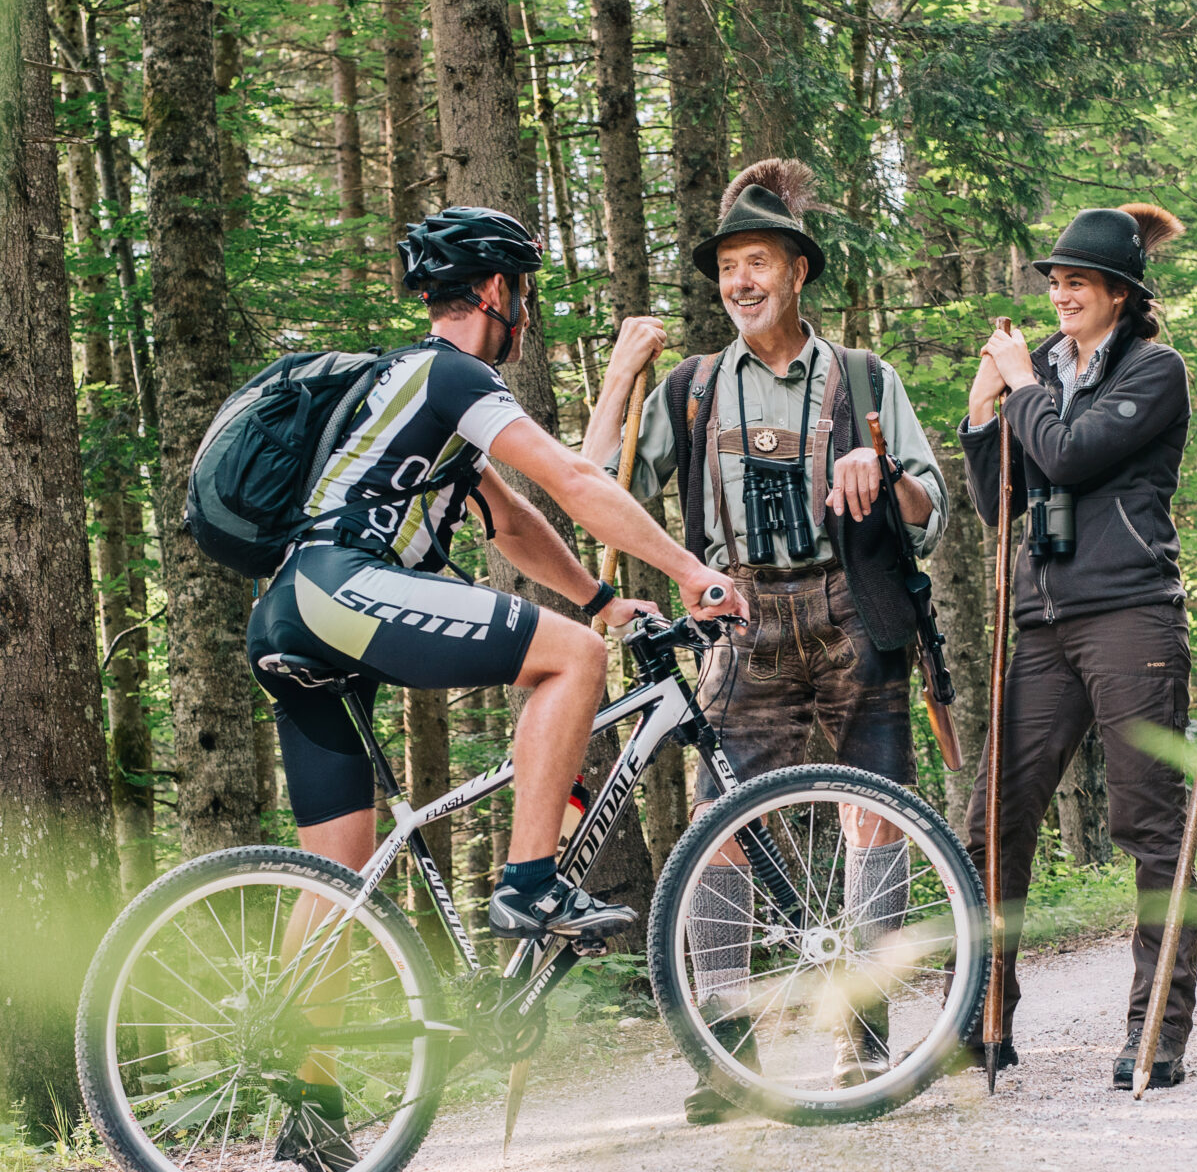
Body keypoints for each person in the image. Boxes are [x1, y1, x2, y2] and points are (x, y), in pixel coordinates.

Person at [247, 206, 744, 941]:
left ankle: (284, 1022)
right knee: (575, 657)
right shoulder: (452, 375)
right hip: (337, 586)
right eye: (523, 294)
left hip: (288, 612)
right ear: (493, 291)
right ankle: (531, 886)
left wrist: (602, 600)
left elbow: (511, 521)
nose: (527, 315)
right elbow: (574, 479)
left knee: (338, 882)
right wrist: (689, 571)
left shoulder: (412, 393)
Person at [582, 159, 948, 1122]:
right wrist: (620, 373)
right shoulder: (691, 389)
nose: (740, 282)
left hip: (852, 611)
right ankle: (727, 1057)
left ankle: (864, 1046)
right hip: (737, 621)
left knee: (876, 818)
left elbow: (933, 509)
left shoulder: (864, 378)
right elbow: (595, 483)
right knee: (722, 828)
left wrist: (883, 471)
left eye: (757, 262)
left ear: (797, 271)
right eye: (727, 267)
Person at [957, 204, 1197, 1088]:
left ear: (1120, 294)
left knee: (1150, 825)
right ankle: (984, 1015)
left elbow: (1068, 455)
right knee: (993, 821)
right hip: (1041, 621)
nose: (1060, 295)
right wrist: (982, 414)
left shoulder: (1154, 370)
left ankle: (1154, 1031)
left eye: (1077, 283)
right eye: (1055, 282)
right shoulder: (1044, 369)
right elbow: (1004, 498)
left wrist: (1022, 385)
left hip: (1131, 612)